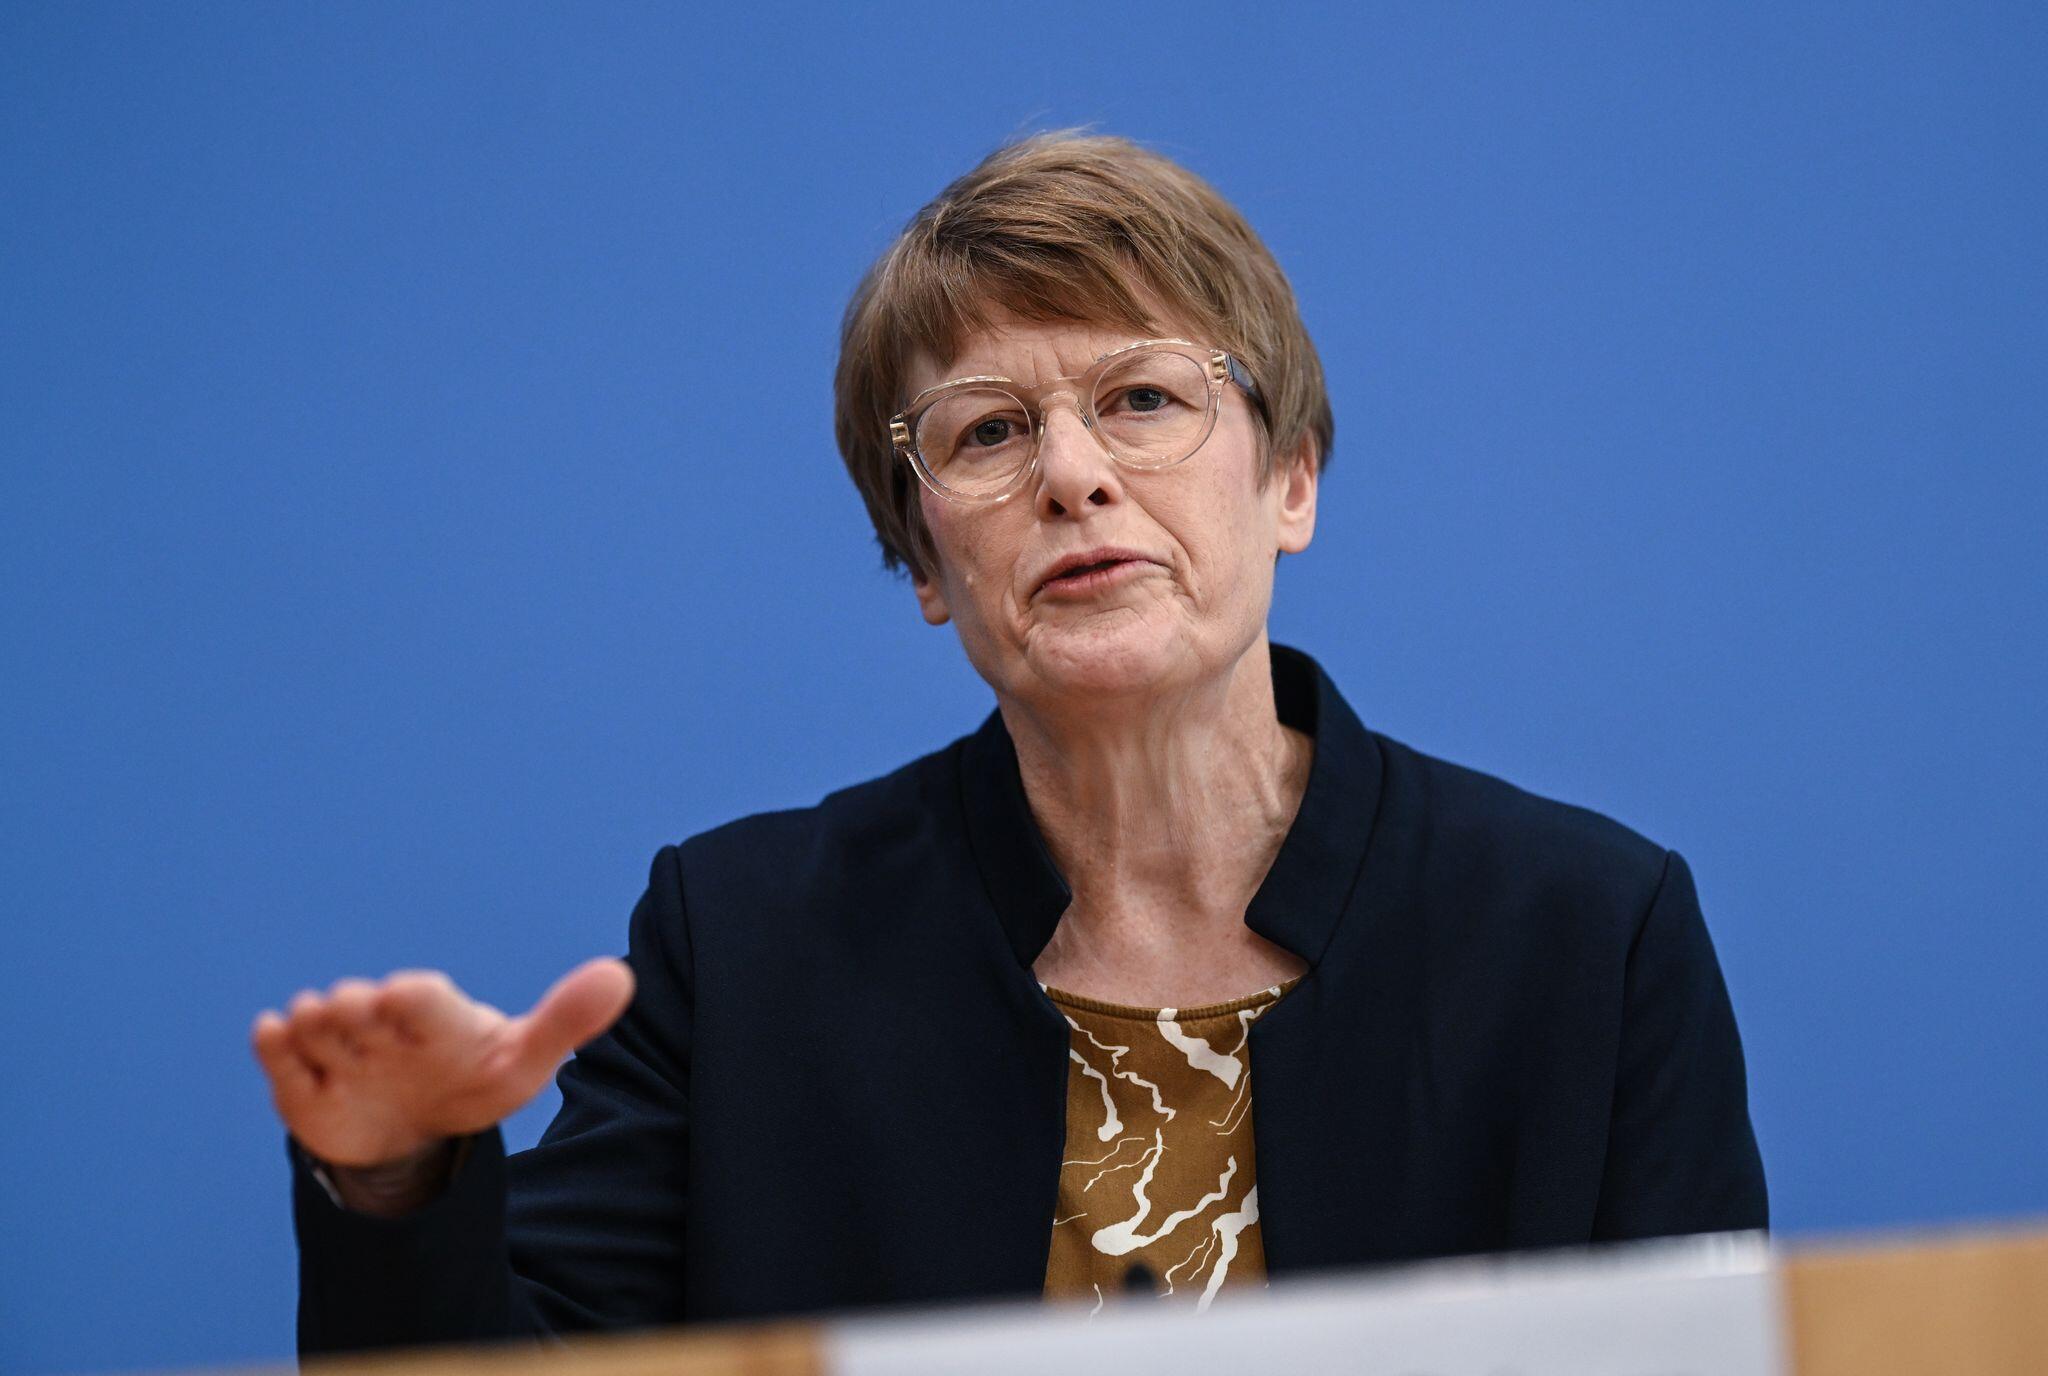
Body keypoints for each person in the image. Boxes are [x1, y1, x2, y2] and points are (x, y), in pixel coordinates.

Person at [252, 131, 1767, 1355]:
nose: (1073, 475)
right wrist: (396, 1183)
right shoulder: (743, 946)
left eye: (1144, 398)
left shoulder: (1590, 933)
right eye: (986, 431)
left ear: (1293, 482)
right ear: (922, 560)